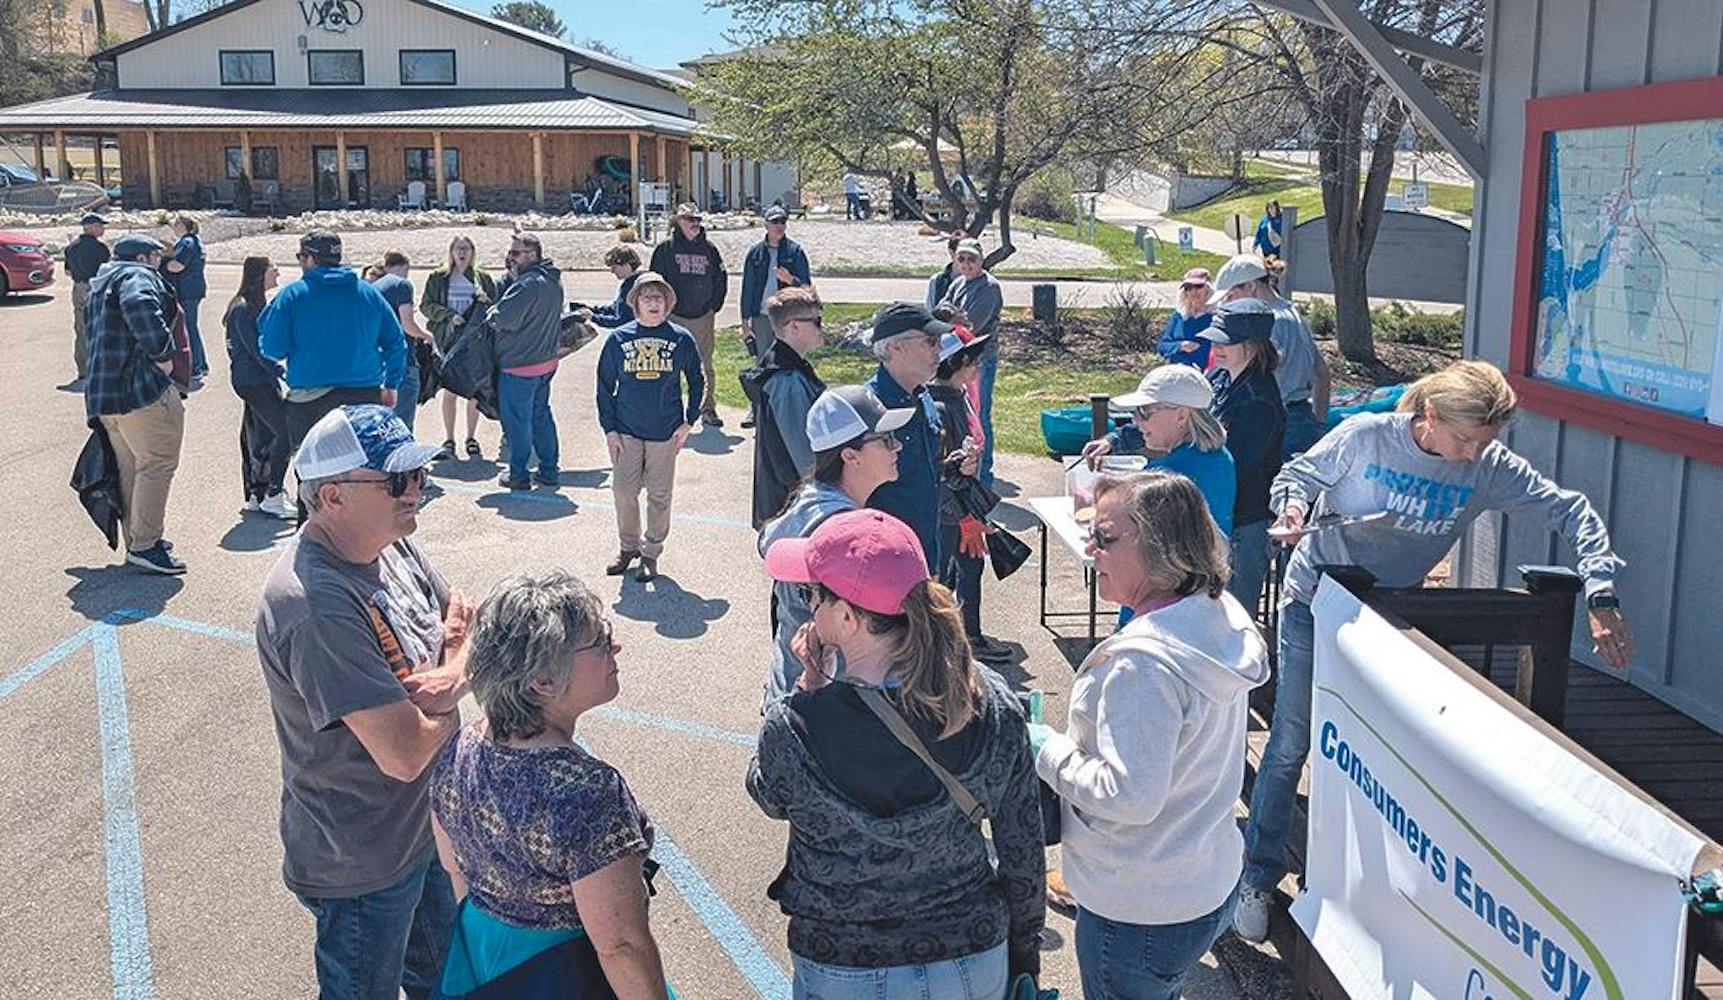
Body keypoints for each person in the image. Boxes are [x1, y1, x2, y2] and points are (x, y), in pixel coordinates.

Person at [1234, 360, 1636, 943]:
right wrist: (1292, 508)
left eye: (1484, 442)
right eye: (1464, 439)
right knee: (1293, 740)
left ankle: (1359, 883)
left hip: (1391, 615)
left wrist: (1601, 590)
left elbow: (1571, 510)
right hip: (1315, 600)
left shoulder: (1488, 466)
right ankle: (1257, 876)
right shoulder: (1367, 437)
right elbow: (1299, 474)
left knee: (1377, 749)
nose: (1472, 454)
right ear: (1429, 415)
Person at [752, 508, 1047, 998]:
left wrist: (809, 685)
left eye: (811, 595)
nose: (808, 607)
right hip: (970, 956)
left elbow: (767, 791)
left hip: (842, 962)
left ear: (847, 619)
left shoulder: (794, 726)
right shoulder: (989, 701)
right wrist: (1024, 955)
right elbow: (1022, 847)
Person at [255, 404, 470, 1000]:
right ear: (332, 497)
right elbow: (403, 753)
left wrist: (452, 674)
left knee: (448, 983)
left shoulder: (391, 546)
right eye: (396, 480)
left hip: (424, 831)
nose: (416, 490)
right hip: (362, 867)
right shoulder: (315, 605)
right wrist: (453, 698)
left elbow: (466, 617)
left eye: (418, 474)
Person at [1030, 471, 1268, 1000]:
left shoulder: (1142, 667)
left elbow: (1128, 796)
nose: (1090, 549)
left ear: (1162, 548)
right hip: (1202, 882)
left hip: (1137, 908)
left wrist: (1044, 748)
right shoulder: (1216, 613)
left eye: (1105, 537)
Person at [429, 572, 674, 998]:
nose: (615, 646)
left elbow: (455, 870)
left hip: (483, 956)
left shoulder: (460, 747)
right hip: (564, 974)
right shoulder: (588, 792)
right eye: (599, 642)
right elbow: (620, 945)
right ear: (541, 682)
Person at [758, 385, 911, 703]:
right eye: (885, 439)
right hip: (820, 705)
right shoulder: (840, 536)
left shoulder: (811, 500)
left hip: (791, 691)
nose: (898, 445)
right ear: (850, 456)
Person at [84, 234, 187, 574]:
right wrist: (164, 356)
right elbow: (141, 304)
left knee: (129, 469)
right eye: (156, 256)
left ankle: (138, 539)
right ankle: (146, 545)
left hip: (105, 395)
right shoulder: (136, 275)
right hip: (140, 391)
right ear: (143, 257)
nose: (159, 262)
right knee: (156, 464)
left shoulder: (101, 283)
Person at [595, 272, 704, 582]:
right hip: (626, 430)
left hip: (665, 431)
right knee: (623, 491)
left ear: (667, 303)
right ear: (636, 303)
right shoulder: (619, 339)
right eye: (647, 298)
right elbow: (604, 387)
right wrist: (610, 430)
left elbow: (697, 380)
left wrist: (689, 421)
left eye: (659, 298)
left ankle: (651, 552)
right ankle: (628, 547)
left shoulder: (681, 338)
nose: (653, 303)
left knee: (659, 495)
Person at [259, 230, 406, 458]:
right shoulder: (369, 293)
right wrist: (391, 385)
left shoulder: (291, 295)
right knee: (363, 468)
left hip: (310, 401)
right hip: (364, 398)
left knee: (315, 471)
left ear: (310, 259)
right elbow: (395, 342)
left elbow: (272, 349)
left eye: (300, 257)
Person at [1198, 298, 1284, 613]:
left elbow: (1236, 466)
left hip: (1244, 522)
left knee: (1232, 615)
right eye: (1215, 340)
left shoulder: (1259, 400)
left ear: (1253, 346)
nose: (1216, 348)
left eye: (1226, 342)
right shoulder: (1219, 377)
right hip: (1217, 513)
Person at [1080, 365, 1236, 537]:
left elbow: (1126, 531)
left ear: (1181, 415)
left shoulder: (1167, 474)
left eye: (1144, 411)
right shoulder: (1219, 456)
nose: (1136, 420)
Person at [928, 330, 1005, 658]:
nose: (977, 366)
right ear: (955, 364)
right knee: (950, 574)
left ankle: (963, 636)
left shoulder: (958, 397)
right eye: (971, 361)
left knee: (967, 569)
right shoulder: (941, 406)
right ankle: (953, 640)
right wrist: (964, 516)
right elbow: (943, 472)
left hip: (963, 506)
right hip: (951, 512)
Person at [1210, 253, 1330, 458]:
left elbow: (1255, 377)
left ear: (1250, 286)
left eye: (1230, 296)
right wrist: (1318, 423)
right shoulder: (1292, 313)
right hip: (1302, 420)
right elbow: (1321, 372)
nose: (1227, 304)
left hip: (1276, 425)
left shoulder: (1268, 323)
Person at [865, 302, 949, 572]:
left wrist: (954, 466)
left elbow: (925, 467)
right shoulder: (869, 408)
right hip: (886, 560)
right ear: (895, 347)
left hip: (926, 551)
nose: (939, 350)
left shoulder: (923, 396)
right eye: (930, 341)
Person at [743, 288, 829, 528]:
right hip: (792, 505)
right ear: (794, 327)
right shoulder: (787, 380)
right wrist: (824, 497)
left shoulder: (785, 365)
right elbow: (802, 452)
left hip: (786, 500)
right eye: (816, 321)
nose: (822, 327)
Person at [485, 233, 564, 490]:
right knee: (541, 415)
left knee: (517, 422)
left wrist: (492, 310)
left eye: (515, 253)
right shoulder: (552, 280)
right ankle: (549, 469)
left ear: (531, 255)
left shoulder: (528, 285)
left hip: (520, 365)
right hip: (545, 361)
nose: (511, 257)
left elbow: (502, 319)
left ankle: (518, 474)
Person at [648, 204, 728, 428]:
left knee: (705, 365)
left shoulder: (709, 249)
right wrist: (661, 311)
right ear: (678, 222)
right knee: (667, 365)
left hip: (703, 316)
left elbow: (720, 278)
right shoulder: (665, 249)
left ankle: (708, 408)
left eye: (697, 220)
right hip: (673, 317)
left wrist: (714, 306)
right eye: (689, 219)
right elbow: (655, 282)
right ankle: (666, 410)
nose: (695, 224)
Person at [225, 255, 292, 518]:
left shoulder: (253, 304)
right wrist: (285, 373)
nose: (278, 272)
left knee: (260, 436)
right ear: (259, 274)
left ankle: (257, 493)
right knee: (285, 432)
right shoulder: (243, 308)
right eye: (273, 268)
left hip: (255, 380)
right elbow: (258, 351)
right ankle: (273, 494)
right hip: (254, 382)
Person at [420, 235, 496, 461]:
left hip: (474, 342)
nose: (462, 252)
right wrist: (448, 315)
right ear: (451, 251)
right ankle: (449, 438)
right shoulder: (438, 277)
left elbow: (495, 308)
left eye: (466, 248)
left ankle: (471, 437)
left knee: (474, 392)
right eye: (458, 248)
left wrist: (485, 300)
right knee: (450, 390)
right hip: (448, 339)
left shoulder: (482, 277)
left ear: (473, 252)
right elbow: (426, 306)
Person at [738, 204, 813, 426]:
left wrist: (791, 280)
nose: (779, 226)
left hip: (788, 319)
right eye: (775, 222)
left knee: (789, 363)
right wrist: (744, 322)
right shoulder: (755, 253)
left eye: (783, 222)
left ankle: (788, 411)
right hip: (762, 317)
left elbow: (807, 288)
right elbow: (747, 289)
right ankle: (757, 409)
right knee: (762, 364)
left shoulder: (795, 252)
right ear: (766, 225)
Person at [938, 238, 1004, 486]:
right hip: (957, 359)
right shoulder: (957, 283)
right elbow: (941, 312)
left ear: (981, 260)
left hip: (980, 360)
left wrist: (951, 321)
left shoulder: (989, 287)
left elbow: (970, 325)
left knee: (980, 415)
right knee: (964, 413)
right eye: (961, 259)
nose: (966, 264)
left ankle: (983, 477)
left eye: (972, 259)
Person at [371, 251, 433, 432]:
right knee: (403, 426)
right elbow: (408, 325)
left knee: (382, 426)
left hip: (378, 364)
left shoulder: (375, 287)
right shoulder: (402, 285)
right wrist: (428, 337)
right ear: (405, 266)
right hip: (402, 362)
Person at [63, 212, 110, 389]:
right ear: (91, 227)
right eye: (100, 225)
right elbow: (106, 271)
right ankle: (100, 366)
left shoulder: (71, 247)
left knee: (81, 329)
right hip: (96, 287)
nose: (103, 228)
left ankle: (83, 369)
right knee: (100, 328)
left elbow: (67, 271)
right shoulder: (101, 248)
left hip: (78, 288)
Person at [161, 214, 209, 380]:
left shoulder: (187, 243)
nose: (174, 227)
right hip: (193, 288)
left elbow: (177, 266)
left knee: (187, 328)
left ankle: (195, 366)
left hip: (187, 290)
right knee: (191, 327)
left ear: (183, 226)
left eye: (176, 224)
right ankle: (201, 363)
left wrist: (163, 262)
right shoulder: (193, 241)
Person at [1156, 268, 1214, 370]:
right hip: (1175, 369)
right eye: (1188, 287)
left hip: (1202, 371)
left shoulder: (1214, 318)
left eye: (1198, 286)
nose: (1193, 291)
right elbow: (1162, 346)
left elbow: (1216, 350)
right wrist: (1180, 346)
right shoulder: (1178, 316)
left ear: (1208, 289)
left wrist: (1197, 348)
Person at [581, 244, 643, 330]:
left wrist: (593, 317)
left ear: (626, 265)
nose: (612, 271)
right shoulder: (631, 283)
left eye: (614, 267)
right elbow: (615, 309)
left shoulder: (632, 287)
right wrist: (592, 309)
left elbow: (620, 321)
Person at [924, 229, 967, 312]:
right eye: (961, 255)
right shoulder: (936, 281)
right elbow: (929, 312)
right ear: (951, 252)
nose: (966, 260)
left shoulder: (979, 282)